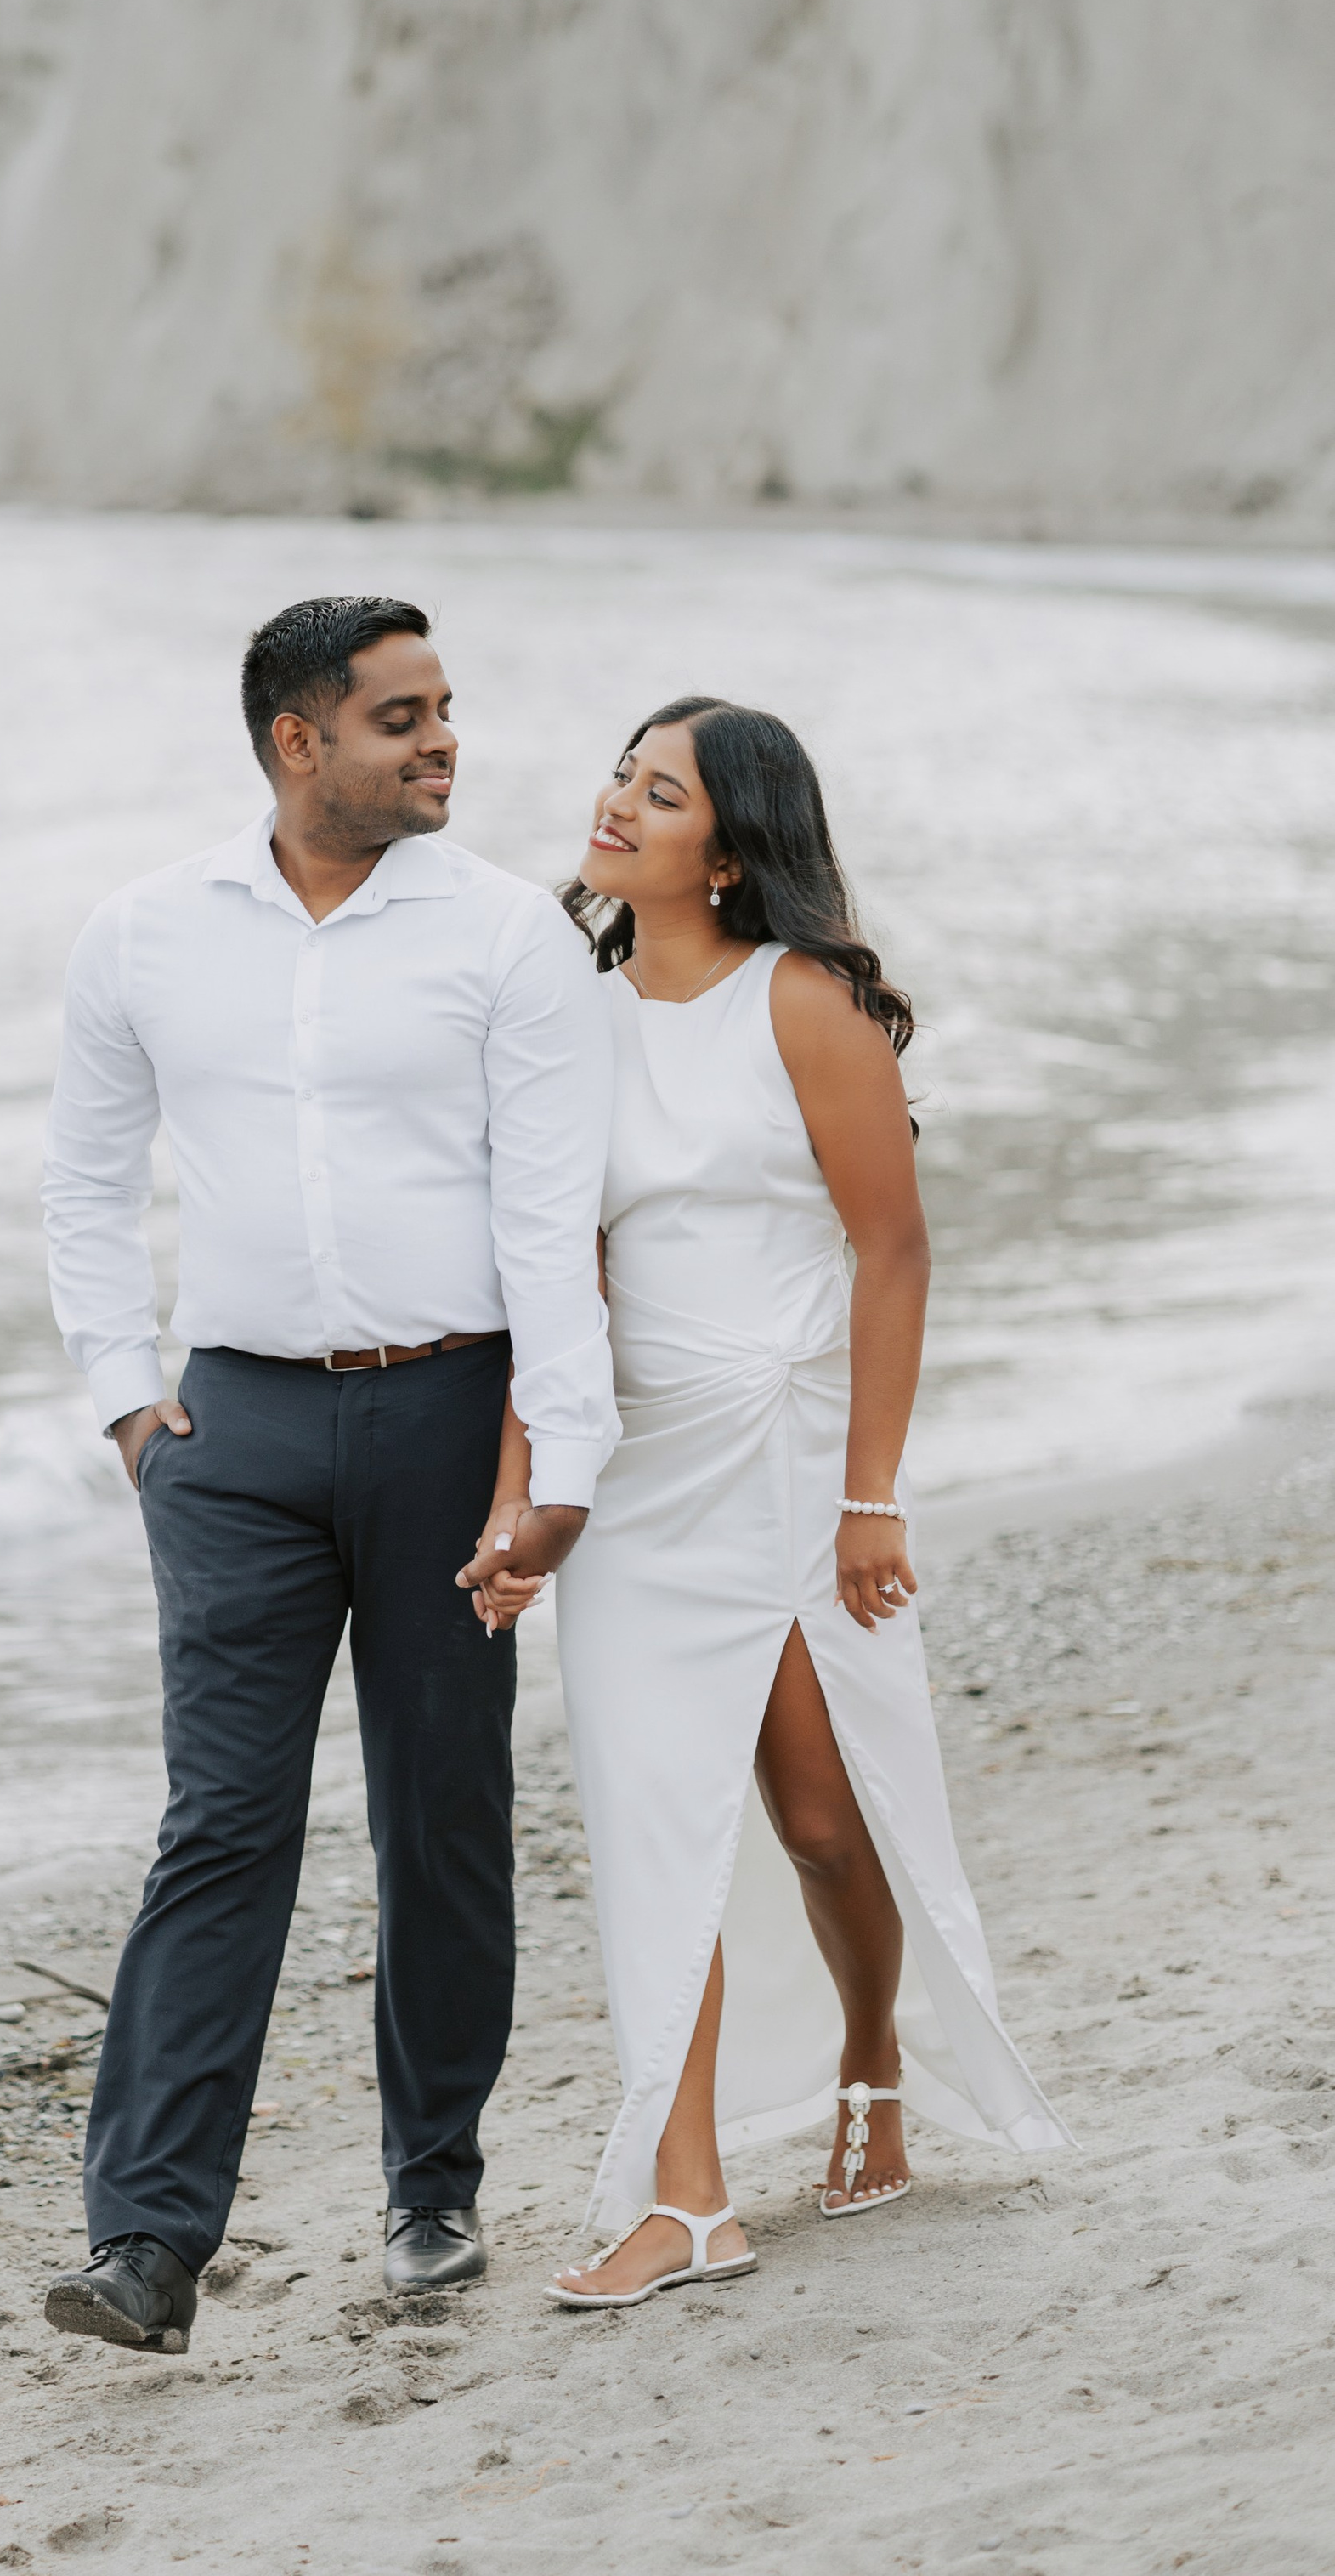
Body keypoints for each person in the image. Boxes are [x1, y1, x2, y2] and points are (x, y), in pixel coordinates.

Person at [38, 595, 616, 2352]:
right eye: (400, 718)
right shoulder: (144, 935)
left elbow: (545, 1220)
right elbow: (82, 1185)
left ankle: (429, 2183)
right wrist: (130, 1408)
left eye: (443, 711)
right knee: (219, 1822)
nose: (441, 742)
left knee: (439, 1813)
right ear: (299, 743)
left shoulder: (507, 936)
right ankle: (148, 2242)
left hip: (447, 1419)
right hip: (234, 1438)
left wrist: (558, 1466)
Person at [460, 696, 1071, 2307]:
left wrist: (874, 1495)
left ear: (729, 852)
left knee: (814, 1818)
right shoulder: (566, 1019)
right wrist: (527, 1497)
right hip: (635, 1475)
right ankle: (689, 2197)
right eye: (620, 775)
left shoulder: (804, 1005)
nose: (617, 804)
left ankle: (874, 2060)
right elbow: (554, 1281)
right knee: (654, 1824)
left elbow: (895, 1249)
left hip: (794, 1466)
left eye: (659, 794)